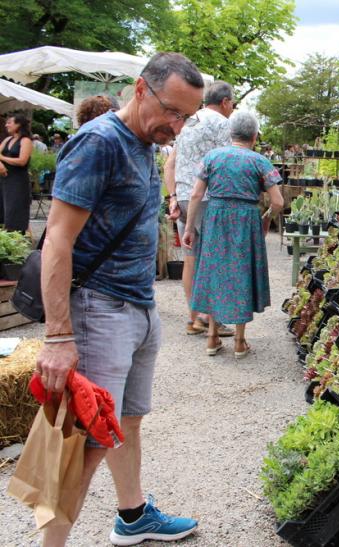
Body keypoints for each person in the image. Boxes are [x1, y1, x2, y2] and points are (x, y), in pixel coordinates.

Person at [35, 52, 205, 546]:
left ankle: (132, 516)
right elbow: (57, 241)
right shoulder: (100, 142)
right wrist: (59, 337)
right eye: (171, 111)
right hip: (97, 307)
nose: (176, 126)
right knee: (82, 444)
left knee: (125, 421)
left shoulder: (143, 141)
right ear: (139, 89)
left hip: (137, 306)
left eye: (186, 117)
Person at [182, 111, 284, 357]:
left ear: (231, 133)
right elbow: (278, 201)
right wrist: (266, 217)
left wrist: (188, 228)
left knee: (214, 271)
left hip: (215, 217)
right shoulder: (259, 162)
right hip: (246, 219)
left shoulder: (213, 157)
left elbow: (196, 195)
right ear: (254, 136)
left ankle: (212, 337)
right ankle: (239, 342)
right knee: (241, 274)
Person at [164, 80, 235, 337]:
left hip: (183, 198)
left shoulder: (188, 123)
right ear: (225, 102)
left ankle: (193, 318)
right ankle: (211, 318)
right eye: (232, 104)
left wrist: (172, 196)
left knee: (190, 260)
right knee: (214, 259)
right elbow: (228, 164)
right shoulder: (223, 125)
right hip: (208, 198)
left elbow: (168, 165)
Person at [0, 112, 33, 234]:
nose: (6, 125)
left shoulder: (25, 141)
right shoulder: (8, 139)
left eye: (9, 123)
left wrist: (2, 159)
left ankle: (16, 240)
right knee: (3, 211)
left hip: (17, 181)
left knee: (15, 211)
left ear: (18, 125)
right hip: (3, 180)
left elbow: (22, 161)